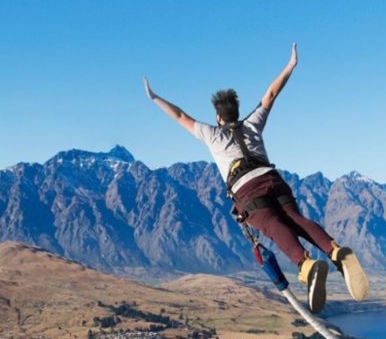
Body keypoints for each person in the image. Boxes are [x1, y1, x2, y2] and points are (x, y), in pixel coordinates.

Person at [143, 43, 368, 313]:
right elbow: (271, 94)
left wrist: (155, 97)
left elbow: (180, 116)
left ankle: (306, 265)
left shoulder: (212, 135)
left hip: (248, 191)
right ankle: (334, 250)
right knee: (296, 219)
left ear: (218, 117)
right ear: (236, 113)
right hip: (273, 179)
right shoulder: (252, 124)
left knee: (273, 226)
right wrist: (290, 66)